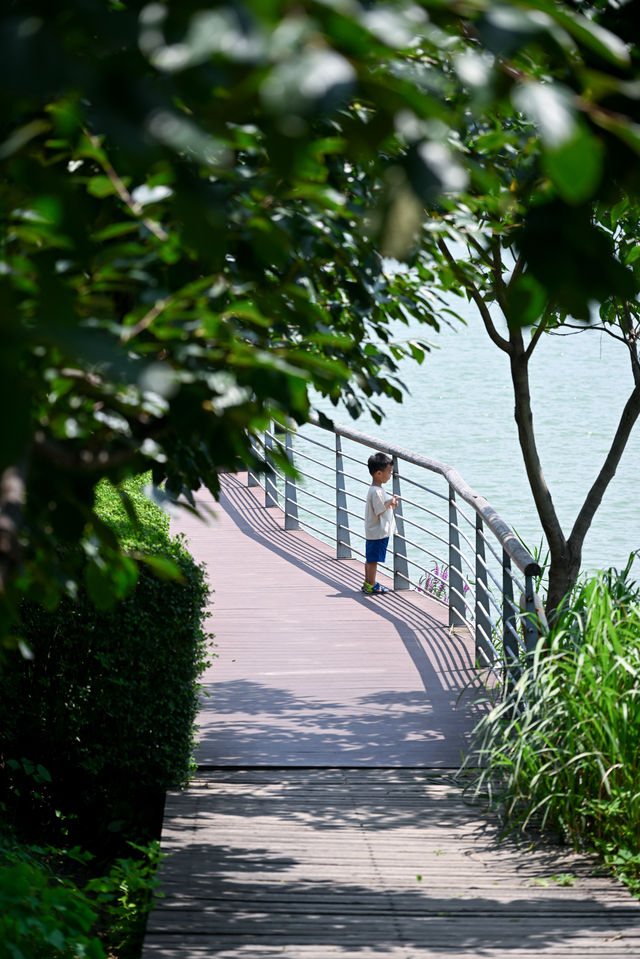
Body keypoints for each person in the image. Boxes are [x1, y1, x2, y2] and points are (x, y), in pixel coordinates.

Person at [362, 452, 398, 595]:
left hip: (373, 531)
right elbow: (379, 509)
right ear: (378, 473)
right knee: (373, 560)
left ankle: (367, 583)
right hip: (377, 532)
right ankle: (371, 584)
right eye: (389, 472)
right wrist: (389, 502)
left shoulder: (376, 490)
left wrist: (390, 504)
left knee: (371, 558)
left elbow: (380, 507)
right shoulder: (377, 491)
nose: (390, 475)